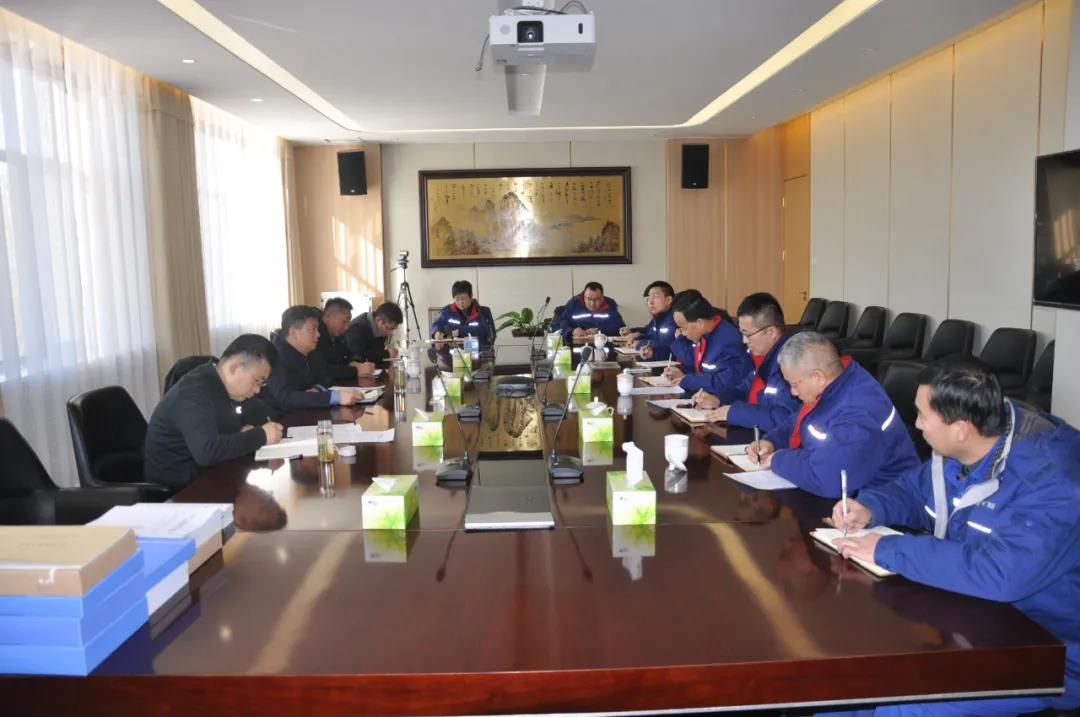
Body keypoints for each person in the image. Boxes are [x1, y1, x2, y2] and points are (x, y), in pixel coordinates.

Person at [827, 361, 1080, 716]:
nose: (916, 424)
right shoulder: (962, 450)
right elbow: (914, 493)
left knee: (901, 705)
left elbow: (1000, 573)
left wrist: (888, 549)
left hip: (1050, 652)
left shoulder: (1055, 480)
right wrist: (870, 508)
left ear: (961, 428)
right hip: (973, 619)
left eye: (922, 415)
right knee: (844, 679)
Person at [748, 331, 919, 498]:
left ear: (818, 378)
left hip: (885, 504)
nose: (793, 392)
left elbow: (829, 478)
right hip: (850, 497)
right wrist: (772, 442)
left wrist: (778, 460)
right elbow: (799, 421)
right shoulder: (833, 384)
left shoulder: (860, 408)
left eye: (793, 384)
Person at [143, 334, 284, 492]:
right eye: (257, 380)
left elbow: (220, 433)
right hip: (178, 493)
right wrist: (261, 436)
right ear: (234, 368)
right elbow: (207, 451)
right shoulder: (193, 393)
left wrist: (241, 434)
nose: (257, 390)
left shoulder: (219, 386)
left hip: (210, 476)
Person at [695, 292, 800, 431]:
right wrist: (718, 399)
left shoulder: (792, 363)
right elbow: (745, 389)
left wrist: (735, 412)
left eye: (748, 334)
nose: (744, 341)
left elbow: (785, 418)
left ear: (771, 332)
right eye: (742, 334)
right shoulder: (766, 356)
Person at [264, 305, 363, 414]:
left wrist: (317, 389)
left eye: (318, 329)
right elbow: (285, 398)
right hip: (285, 419)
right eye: (313, 329)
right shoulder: (275, 358)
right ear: (294, 333)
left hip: (310, 412)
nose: (318, 334)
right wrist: (334, 397)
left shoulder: (311, 351)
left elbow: (326, 377)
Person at [661, 291, 751, 401]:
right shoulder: (705, 335)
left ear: (700, 323)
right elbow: (704, 370)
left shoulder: (728, 341)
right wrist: (682, 372)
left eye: (683, 328)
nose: (682, 334)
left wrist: (688, 380)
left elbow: (728, 382)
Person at [317, 297, 376, 380]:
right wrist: (356, 371)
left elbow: (349, 353)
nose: (347, 327)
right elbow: (322, 369)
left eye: (348, 322)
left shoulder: (338, 335)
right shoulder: (315, 336)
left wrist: (355, 362)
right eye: (344, 321)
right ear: (328, 317)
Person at [619, 280, 677, 360]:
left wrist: (639, 343)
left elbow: (665, 344)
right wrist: (635, 335)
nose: (650, 302)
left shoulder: (674, 319)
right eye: (649, 297)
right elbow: (649, 332)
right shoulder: (659, 316)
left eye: (655, 296)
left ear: (668, 300)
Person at [430, 280, 496, 348]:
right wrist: (436, 333)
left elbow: (487, 335)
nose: (460, 302)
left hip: (477, 351)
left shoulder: (483, 313)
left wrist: (459, 334)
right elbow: (436, 325)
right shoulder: (447, 311)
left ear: (471, 296)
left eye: (463, 299)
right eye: (457, 299)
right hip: (453, 352)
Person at [554, 281, 625, 341]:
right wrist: (571, 331)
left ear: (602, 298)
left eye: (596, 299)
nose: (592, 303)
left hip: (604, 346)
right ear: (584, 297)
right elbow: (558, 326)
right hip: (577, 347)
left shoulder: (610, 305)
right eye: (588, 299)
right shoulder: (573, 305)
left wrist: (599, 330)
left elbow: (619, 327)